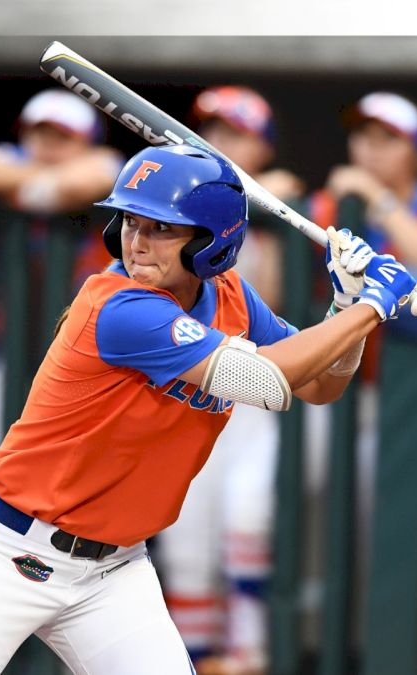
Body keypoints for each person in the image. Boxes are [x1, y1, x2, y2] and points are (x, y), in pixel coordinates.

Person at [0, 143, 417, 674]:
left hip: (112, 572)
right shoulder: (119, 306)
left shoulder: (232, 296)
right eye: (130, 222)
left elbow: (320, 387)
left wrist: (345, 308)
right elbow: (268, 380)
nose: (138, 243)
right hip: (8, 551)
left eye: (162, 229)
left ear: (211, 243)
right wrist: (371, 308)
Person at [156, 85, 302, 674]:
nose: (220, 143)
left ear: (262, 145)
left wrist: (268, 204)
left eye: (236, 133)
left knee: (247, 522)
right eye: (212, 130)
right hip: (189, 393)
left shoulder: (282, 205)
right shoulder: (171, 208)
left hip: (254, 400)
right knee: (187, 552)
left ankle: (251, 657)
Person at [315, 91, 417, 490]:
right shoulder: (330, 205)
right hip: (339, 379)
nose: (371, 149)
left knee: (396, 514)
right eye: (363, 136)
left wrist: (376, 198)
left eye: (389, 139)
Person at [0, 89, 123, 470]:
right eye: (39, 134)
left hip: (92, 363)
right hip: (10, 348)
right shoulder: (9, 164)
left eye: (61, 137)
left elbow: (83, 183)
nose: (47, 145)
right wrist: (37, 182)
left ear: (86, 141)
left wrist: (28, 186)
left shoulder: (109, 167)